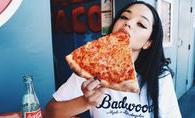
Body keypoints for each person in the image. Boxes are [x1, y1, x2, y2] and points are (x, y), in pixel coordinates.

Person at [43, 1, 181, 118]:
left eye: (141, 24)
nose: (128, 23)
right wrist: (86, 102)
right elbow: (49, 112)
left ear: (148, 43)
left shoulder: (160, 76)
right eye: (124, 17)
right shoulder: (90, 68)